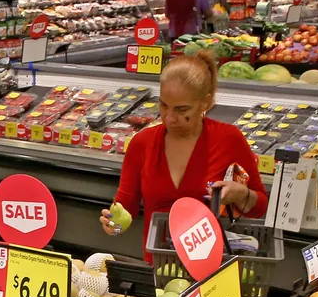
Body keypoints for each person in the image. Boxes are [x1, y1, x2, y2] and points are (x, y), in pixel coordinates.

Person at [100, 51, 268, 252]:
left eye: (182, 110)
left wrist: (241, 194)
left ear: (205, 103)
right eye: (163, 105)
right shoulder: (142, 143)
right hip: (160, 265)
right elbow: (124, 210)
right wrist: (113, 226)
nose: (169, 118)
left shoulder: (229, 139)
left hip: (214, 268)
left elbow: (260, 208)